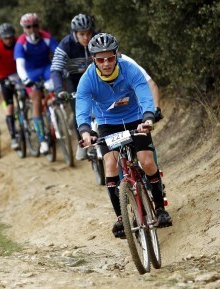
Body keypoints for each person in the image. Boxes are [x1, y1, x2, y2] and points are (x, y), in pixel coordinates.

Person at [76, 33, 172, 238]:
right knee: (110, 164)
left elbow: (145, 95)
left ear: (116, 55)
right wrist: (85, 132)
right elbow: (82, 110)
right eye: (101, 59)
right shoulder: (87, 79)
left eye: (110, 58)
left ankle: (161, 210)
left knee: (146, 162)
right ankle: (121, 219)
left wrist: (148, 118)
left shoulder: (129, 69)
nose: (106, 63)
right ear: (94, 59)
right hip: (107, 124)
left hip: (135, 119)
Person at [51, 13, 96, 161]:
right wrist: (59, 90)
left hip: (95, 78)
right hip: (74, 80)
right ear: (74, 33)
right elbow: (56, 69)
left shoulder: (97, 40)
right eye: (82, 34)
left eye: (88, 33)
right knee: (79, 108)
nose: (86, 37)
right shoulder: (65, 45)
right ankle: (82, 142)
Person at [14, 13, 58, 154]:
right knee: (37, 99)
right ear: (24, 28)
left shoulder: (46, 37)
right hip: (30, 72)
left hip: (46, 68)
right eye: (28, 27)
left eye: (35, 26)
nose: (32, 29)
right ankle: (42, 139)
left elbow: (58, 53)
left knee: (56, 87)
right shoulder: (21, 43)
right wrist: (25, 80)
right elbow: (19, 65)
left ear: (39, 26)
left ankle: (60, 114)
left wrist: (61, 69)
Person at [0, 23, 19, 150]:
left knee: (29, 97)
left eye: (10, 37)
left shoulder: (18, 42)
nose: (8, 40)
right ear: (1, 38)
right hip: (4, 76)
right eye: (5, 38)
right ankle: (13, 136)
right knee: (10, 105)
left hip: (19, 73)